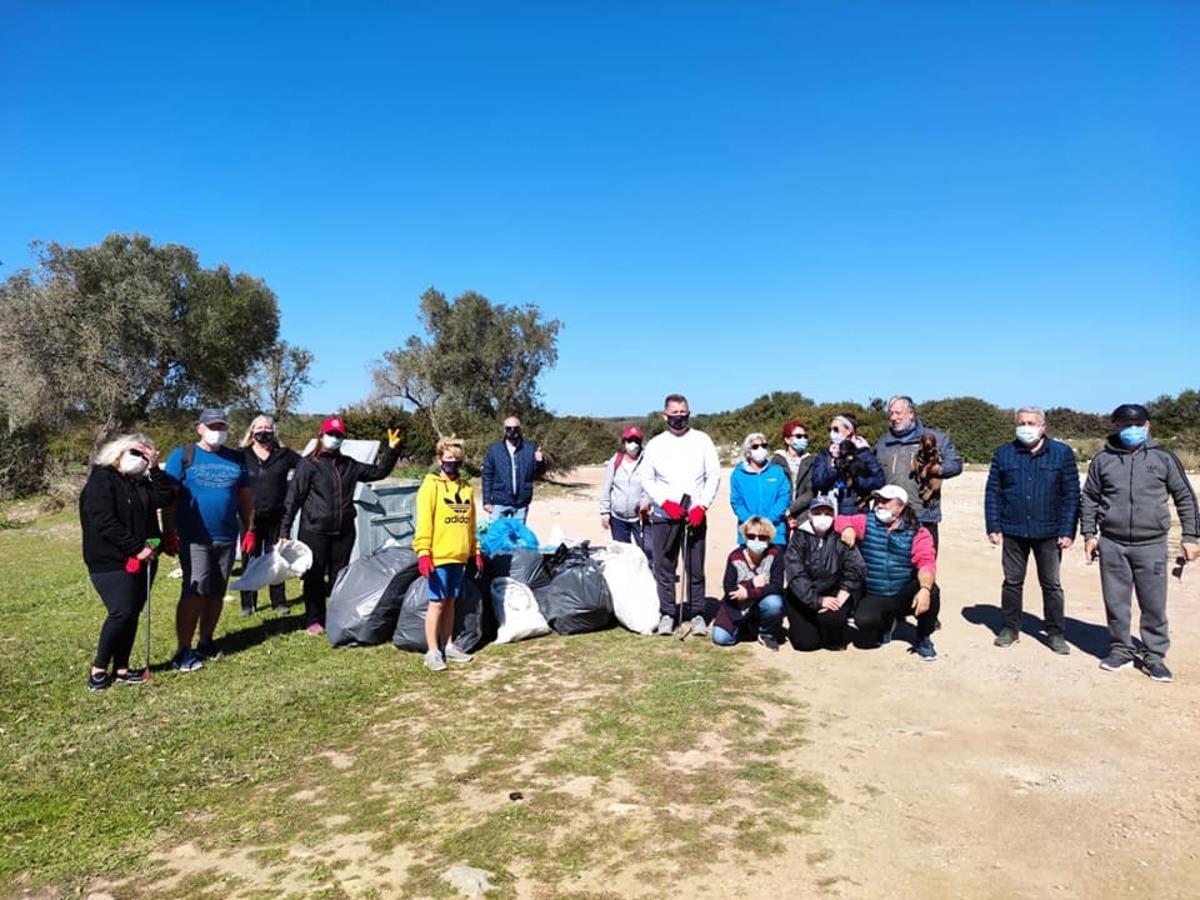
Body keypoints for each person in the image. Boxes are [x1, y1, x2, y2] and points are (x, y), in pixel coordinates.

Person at [1081, 403, 1200, 683]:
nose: (1131, 429)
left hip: (1151, 544)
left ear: (1148, 426)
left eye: (1137, 424)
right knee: (1116, 601)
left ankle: (1154, 654)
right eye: (1124, 425)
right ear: (1116, 427)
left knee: (1154, 603)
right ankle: (1120, 649)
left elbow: (1185, 497)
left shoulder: (1164, 459)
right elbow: (1089, 499)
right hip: (1112, 543)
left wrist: (1191, 537)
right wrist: (1088, 534)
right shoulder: (1103, 460)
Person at [281, 416, 402, 635]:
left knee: (339, 576)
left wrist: (392, 450)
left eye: (339, 435)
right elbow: (293, 498)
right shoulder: (308, 464)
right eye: (331, 434)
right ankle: (314, 618)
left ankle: (335, 615)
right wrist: (284, 530)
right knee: (314, 576)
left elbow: (378, 472)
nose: (334, 438)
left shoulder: (349, 465)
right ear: (321, 435)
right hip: (314, 530)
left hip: (343, 531)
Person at [163, 409, 255, 672]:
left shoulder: (236, 459)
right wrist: (168, 531)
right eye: (212, 426)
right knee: (194, 591)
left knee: (216, 591)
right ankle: (183, 649)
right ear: (199, 428)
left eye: (222, 426)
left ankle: (206, 641)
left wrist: (250, 529)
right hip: (194, 537)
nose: (218, 431)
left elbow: (246, 499)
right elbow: (169, 498)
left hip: (226, 536)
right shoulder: (183, 456)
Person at [79, 434, 174, 691]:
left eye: (145, 455)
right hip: (110, 561)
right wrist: (136, 548)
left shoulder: (140, 483)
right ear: (118, 452)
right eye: (136, 453)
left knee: (132, 613)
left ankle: (121, 667)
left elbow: (164, 498)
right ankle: (99, 669)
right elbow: (104, 521)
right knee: (121, 611)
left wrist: (154, 469)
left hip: (145, 558)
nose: (140, 459)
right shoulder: (101, 480)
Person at [984, 407, 1080, 654]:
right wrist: (993, 526)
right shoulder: (1004, 453)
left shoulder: (1061, 453)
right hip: (1013, 530)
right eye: (1021, 422)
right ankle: (1010, 628)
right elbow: (993, 492)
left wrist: (1068, 530)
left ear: (1043, 427)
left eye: (1031, 423)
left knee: (1051, 584)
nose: (1026, 427)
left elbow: (1071, 495)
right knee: (1012, 582)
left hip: (1050, 532)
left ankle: (1056, 632)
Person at [640, 393, 722, 637]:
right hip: (665, 516)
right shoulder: (655, 444)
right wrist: (664, 502)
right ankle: (668, 613)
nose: (679, 417)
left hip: (694, 515)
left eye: (683, 412)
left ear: (689, 413)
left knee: (695, 568)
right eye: (674, 413)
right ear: (665, 415)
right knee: (665, 568)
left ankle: (697, 613)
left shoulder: (702, 440)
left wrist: (703, 506)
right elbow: (647, 478)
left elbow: (714, 475)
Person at [838, 485, 941, 661]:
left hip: (902, 590)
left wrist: (924, 588)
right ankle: (886, 623)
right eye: (878, 500)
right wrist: (847, 527)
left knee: (932, 591)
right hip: (875, 592)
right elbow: (839, 519)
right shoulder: (866, 522)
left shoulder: (918, 531)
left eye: (886, 501)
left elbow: (926, 562)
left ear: (901, 507)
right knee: (864, 622)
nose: (879, 505)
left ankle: (923, 637)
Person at [413, 437, 484, 672]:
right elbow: (424, 523)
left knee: (451, 602)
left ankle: (449, 644)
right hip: (438, 556)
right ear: (439, 459)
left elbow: (471, 523)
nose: (452, 463)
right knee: (437, 603)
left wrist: (476, 551)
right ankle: (432, 651)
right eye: (448, 459)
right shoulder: (430, 486)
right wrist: (423, 552)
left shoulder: (466, 488)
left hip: (459, 555)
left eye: (456, 459)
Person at [873, 396, 962, 550]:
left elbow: (956, 465)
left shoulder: (936, 439)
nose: (894, 418)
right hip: (891, 517)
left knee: (924, 569)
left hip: (923, 516)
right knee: (893, 569)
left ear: (911, 413)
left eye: (898, 413)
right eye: (891, 414)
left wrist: (937, 470)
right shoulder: (882, 444)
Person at [238, 415, 301, 617]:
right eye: (260, 427)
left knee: (277, 558)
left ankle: (278, 602)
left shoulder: (284, 454)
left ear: (274, 431)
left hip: (277, 516)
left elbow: (306, 468)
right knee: (250, 558)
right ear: (252, 430)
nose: (264, 431)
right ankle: (248, 603)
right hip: (249, 518)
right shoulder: (241, 455)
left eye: (268, 427)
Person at [784, 496, 865, 652]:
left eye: (827, 513)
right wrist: (817, 601)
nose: (822, 517)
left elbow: (855, 568)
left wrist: (840, 599)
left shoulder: (841, 535)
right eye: (818, 512)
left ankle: (833, 633)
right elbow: (795, 574)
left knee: (833, 623)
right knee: (805, 644)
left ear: (834, 515)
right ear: (809, 514)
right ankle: (811, 626)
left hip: (833, 592)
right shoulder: (799, 537)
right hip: (803, 596)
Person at [713, 516, 786, 650]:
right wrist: (752, 583)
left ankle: (765, 632)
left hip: (762, 603)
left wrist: (748, 593)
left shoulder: (776, 554)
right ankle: (747, 629)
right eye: (751, 536)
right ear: (745, 537)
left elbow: (776, 586)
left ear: (769, 539)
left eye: (762, 537)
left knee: (774, 603)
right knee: (721, 638)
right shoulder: (734, 557)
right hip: (736, 607)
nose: (756, 540)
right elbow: (729, 589)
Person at [812, 413, 885, 515]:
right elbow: (817, 482)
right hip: (829, 512)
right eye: (830, 429)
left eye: (836, 429)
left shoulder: (864, 453)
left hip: (856, 511)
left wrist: (857, 479)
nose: (832, 433)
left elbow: (879, 482)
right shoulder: (825, 454)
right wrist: (835, 468)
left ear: (849, 431)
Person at [599, 426, 653, 563]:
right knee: (622, 553)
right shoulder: (615, 461)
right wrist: (604, 512)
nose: (633, 444)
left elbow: (652, 485)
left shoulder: (648, 461)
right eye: (630, 440)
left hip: (641, 517)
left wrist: (646, 500)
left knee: (648, 550)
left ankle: (650, 577)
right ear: (624, 442)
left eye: (636, 440)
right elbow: (607, 487)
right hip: (618, 517)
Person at [481, 415, 546, 523]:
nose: (512, 431)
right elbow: (487, 475)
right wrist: (486, 501)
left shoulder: (530, 448)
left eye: (515, 428)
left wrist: (540, 461)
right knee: (496, 536)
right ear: (504, 430)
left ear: (520, 429)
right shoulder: (494, 449)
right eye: (508, 428)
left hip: (521, 502)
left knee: (517, 537)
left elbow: (539, 473)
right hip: (499, 501)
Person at [730, 432, 790, 546]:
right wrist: (753, 524)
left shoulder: (777, 471)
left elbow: (784, 497)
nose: (761, 449)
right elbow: (736, 502)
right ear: (748, 452)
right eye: (755, 446)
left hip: (775, 533)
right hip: (749, 534)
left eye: (764, 445)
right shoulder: (737, 475)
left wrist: (768, 522)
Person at [770, 420, 815, 527]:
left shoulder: (811, 461)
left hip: (803, 514)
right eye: (799, 436)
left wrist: (791, 510)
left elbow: (810, 492)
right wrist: (784, 514)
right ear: (787, 440)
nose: (803, 439)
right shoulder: (776, 461)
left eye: (805, 436)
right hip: (779, 514)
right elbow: (774, 491)